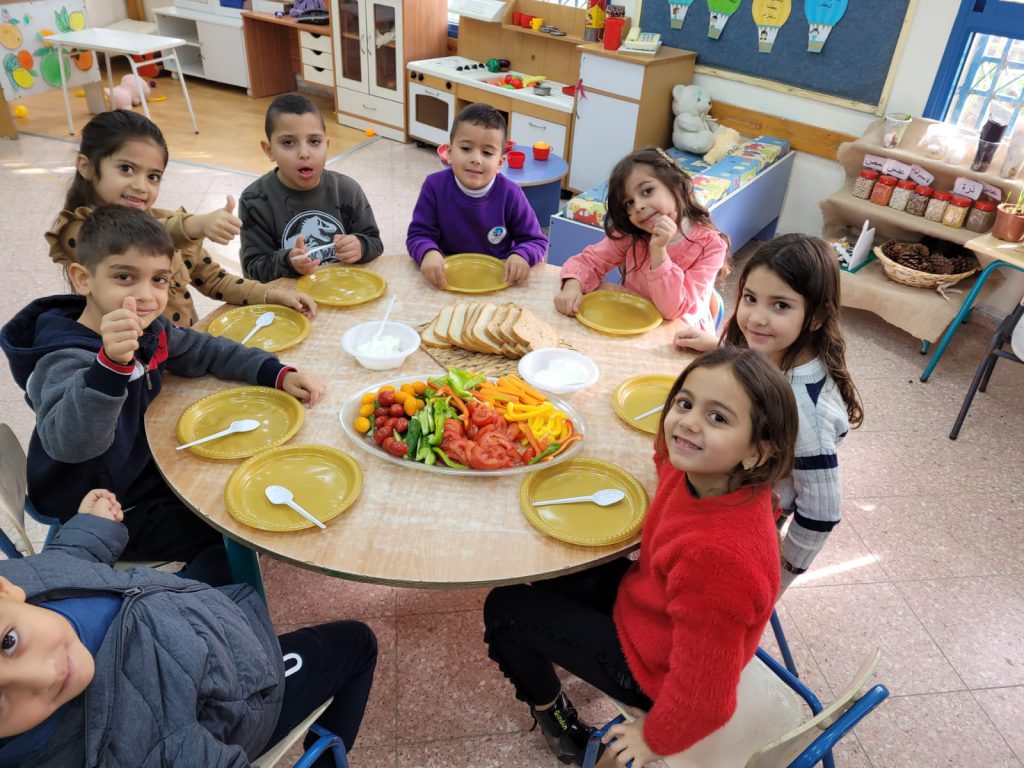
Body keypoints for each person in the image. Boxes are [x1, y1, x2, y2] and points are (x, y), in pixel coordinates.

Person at [484, 347, 799, 767]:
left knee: (504, 609)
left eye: (717, 417)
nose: (689, 422)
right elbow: (665, 453)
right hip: (649, 607)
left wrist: (654, 738)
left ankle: (558, 722)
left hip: (657, 673)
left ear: (758, 451)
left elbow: (707, 698)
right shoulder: (704, 470)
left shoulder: (718, 561)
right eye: (684, 404)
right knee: (544, 568)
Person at [1, 206, 325, 575]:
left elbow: (203, 349)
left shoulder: (151, 328)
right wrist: (110, 365)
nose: (145, 295)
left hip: (143, 467)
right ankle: (193, 599)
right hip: (101, 506)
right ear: (83, 279)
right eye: (124, 277)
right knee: (235, 528)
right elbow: (75, 444)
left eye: (158, 280)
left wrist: (274, 372)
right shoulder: (62, 358)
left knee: (243, 478)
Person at [0, 489, 377, 768]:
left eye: (8, 642)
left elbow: (58, 568)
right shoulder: (136, 751)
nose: (45, 675)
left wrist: (92, 527)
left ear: (6, 591)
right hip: (250, 694)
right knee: (359, 643)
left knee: (218, 554)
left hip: (185, 615)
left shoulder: (19, 580)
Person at [673, 234, 864, 590]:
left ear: (816, 317)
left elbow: (822, 513)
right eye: (750, 298)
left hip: (754, 513)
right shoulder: (773, 351)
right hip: (733, 482)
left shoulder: (806, 412)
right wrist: (716, 348)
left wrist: (779, 575)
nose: (757, 318)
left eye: (780, 305)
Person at [46, 110, 316, 328]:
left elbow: (215, 280)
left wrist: (271, 294)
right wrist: (195, 224)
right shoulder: (78, 230)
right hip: (131, 363)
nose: (141, 186)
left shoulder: (163, 222)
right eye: (126, 169)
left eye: (153, 176)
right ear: (86, 167)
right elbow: (124, 239)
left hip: (182, 349)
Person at [554, 147, 728, 327]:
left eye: (647, 191)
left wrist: (659, 250)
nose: (638, 206)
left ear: (675, 183)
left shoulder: (711, 246)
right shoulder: (631, 235)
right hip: (633, 322)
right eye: (629, 202)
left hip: (680, 334)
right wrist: (572, 286)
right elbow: (589, 261)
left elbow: (672, 310)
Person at [239, 93, 383, 281]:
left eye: (314, 141)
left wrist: (360, 246)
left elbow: (375, 242)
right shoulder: (255, 200)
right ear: (269, 150)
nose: (304, 153)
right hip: (286, 296)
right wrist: (288, 262)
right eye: (288, 142)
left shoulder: (347, 190)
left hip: (340, 289)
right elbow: (253, 268)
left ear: (327, 145)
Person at [407, 103, 548, 288]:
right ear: (449, 153)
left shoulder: (511, 194)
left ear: (500, 163)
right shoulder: (434, 186)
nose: (476, 159)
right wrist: (428, 252)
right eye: (466, 149)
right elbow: (418, 235)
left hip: (497, 280)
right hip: (447, 278)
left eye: (487, 153)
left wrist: (521, 255)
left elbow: (536, 240)